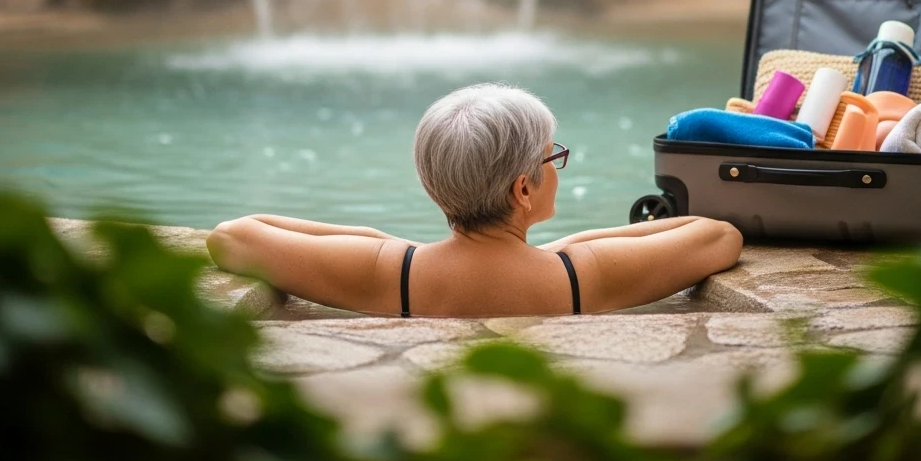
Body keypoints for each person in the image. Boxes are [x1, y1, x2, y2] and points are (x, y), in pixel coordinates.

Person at [207, 83, 743, 317]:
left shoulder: (387, 272)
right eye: (552, 157)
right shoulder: (581, 275)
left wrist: (375, 242)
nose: (557, 164)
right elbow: (717, 235)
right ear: (524, 189)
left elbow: (231, 236)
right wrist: (572, 246)